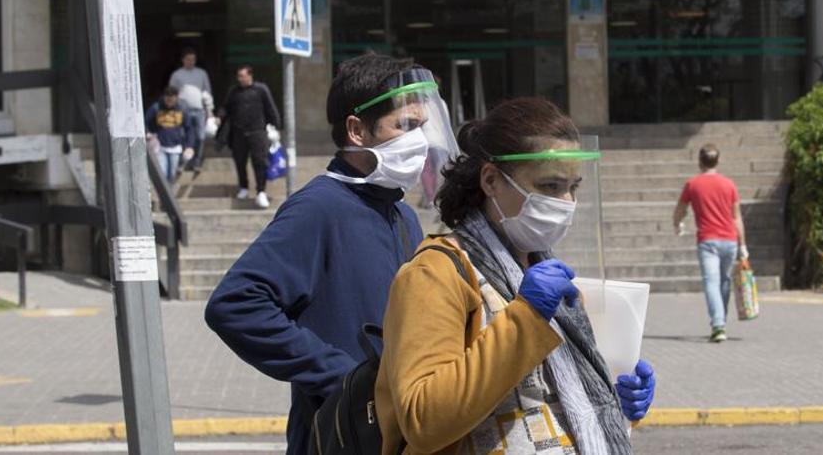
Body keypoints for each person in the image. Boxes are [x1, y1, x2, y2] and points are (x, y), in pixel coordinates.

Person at [204, 54, 458, 455]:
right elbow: (235, 305)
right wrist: (341, 376)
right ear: (357, 130)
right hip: (340, 434)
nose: (420, 141)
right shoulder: (318, 207)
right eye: (406, 126)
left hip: (395, 432)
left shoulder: (401, 214)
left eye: (423, 127)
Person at [377, 97, 656, 455]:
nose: (567, 202)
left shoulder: (547, 274)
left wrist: (612, 403)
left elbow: (543, 399)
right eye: (550, 187)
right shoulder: (435, 273)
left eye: (574, 187)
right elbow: (424, 419)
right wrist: (525, 319)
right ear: (491, 180)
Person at [671, 143, 748, 343]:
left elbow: (680, 209)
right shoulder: (729, 185)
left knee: (711, 282)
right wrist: (743, 244)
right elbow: (737, 217)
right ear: (718, 161)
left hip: (708, 240)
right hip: (730, 240)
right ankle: (719, 321)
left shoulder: (693, 184)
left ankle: (718, 324)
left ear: (700, 161)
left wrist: (677, 224)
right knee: (724, 281)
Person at [218, 65, 281, 209]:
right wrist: (219, 117)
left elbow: (270, 108)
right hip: (238, 133)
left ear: (250, 76)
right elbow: (226, 107)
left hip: (257, 132)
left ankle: (261, 190)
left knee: (260, 162)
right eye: (238, 76)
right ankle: (243, 187)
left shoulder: (261, 89)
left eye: (243, 76)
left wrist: (276, 126)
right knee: (239, 161)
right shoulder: (234, 91)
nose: (240, 79)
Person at [168, 47, 213, 173]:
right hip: (183, 110)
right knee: (183, 137)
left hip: (199, 110)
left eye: (193, 60)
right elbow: (171, 93)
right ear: (183, 60)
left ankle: (196, 162)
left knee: (200, 137)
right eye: (188, 59)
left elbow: (207, 92)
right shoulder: (177, 75)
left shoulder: (201, 73)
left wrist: (210, 110)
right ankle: (183, 162)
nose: (191, 62)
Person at [145, 86, 193, 183]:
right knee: (163, 173)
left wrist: (189, 146)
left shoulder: (182, 109)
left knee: (172, 174)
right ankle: (164, 196)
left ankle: (169, 196)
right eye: (167, 100)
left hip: (176, 146)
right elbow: (145, 121)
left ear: (176, 98)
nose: (169, 103)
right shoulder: (156, 107)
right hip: (160, 146)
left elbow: (189, 128)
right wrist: (147, 133)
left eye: (172, 100)